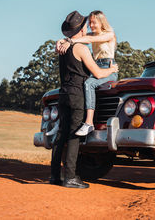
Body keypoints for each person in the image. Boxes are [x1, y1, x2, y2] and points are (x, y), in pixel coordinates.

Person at [50, 11, 118, 189]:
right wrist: (112, 71)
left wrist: (64, 41)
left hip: (63, 93)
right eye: (87, 25)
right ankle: (70, 177)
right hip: (76, 95)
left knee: (60, 135)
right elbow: (96, 73)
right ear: (81, 29)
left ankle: (54, 176)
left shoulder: (63, 49)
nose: (90, 27)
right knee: (73, 137)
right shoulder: (81, 48)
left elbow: (91, 39)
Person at [56, 10, 117, 136]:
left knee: (89, 83)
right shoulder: (91, 34)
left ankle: (89, 123)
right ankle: (62, 123)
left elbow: (87, 40)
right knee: (80, 86)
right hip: (95, 67)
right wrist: (61, 41)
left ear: (101, 22)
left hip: (108, 67)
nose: (91, 25)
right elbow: (76, 37)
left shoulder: (109, 34)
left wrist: (70, 42)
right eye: (90, 22)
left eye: (94, 22)